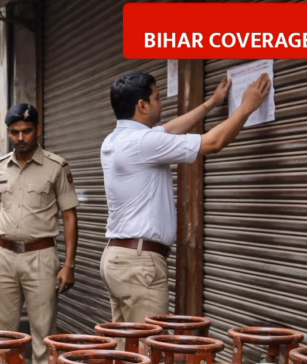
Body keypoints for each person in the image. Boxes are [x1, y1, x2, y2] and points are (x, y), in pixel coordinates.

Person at [100, 72, 271, 324]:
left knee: (127, 344)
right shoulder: (143, 143)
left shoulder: (114, 140)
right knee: (149, 344)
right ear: (142, 105)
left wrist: (211, 103)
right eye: (157, 98)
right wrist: (246, 107)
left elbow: (170, 128)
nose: (161, 103)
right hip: (139, 264)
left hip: (117, 259)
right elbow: (213, 142)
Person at [0, 103, 79, 364]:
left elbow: (69, 217)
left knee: (43, 331)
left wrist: (69, 265)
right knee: (2, 333)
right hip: (3, 255)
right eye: (15, 132)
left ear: (38, 130)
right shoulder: (0, 167)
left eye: (26, 131)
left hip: (40, 256)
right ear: (7, 133)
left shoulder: (56, 167)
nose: (20, 137)